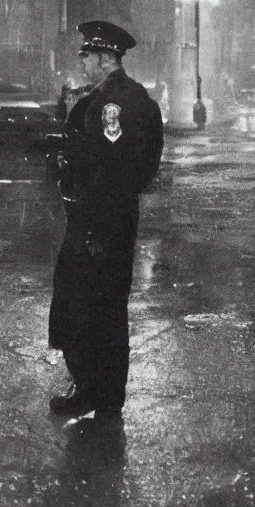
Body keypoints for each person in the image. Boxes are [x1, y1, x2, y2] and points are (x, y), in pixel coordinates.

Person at [48, 21, 165, 420]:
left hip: (97, 220)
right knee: (108, 306)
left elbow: (110, 169)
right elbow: (144, 166)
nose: (81, 62)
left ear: (104, 59)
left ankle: (92, 391)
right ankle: (106, 394)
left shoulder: (111, 104)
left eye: (86, 55)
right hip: (114, 217)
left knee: (86, 306)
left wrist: (95, 225)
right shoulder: (133, 98)